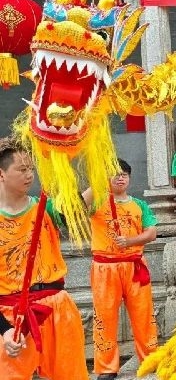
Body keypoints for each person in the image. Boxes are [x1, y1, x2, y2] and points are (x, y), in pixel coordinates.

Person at [0, 138, 89, 380]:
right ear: (1, 174)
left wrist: (97, 176)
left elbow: (75, 210)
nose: (29, 175)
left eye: (31, 168)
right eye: (22, 169)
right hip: (10, 314)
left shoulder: (45, 208)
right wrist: (4, 331)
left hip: (56, 306)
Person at [83, 160, 158, 379]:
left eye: (124, 174)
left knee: (144, 315)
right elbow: (78, 206)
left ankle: (150, 359)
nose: (120, 177)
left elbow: (151, 232)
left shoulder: (139, 204)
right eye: (115, 174)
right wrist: (97, 180)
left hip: (135, 265)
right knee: (104, 317)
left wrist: (130, 241)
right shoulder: (96, 202)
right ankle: (106, 367)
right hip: (105, 267)